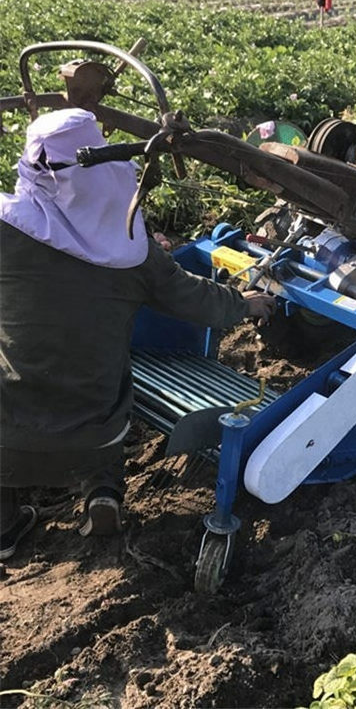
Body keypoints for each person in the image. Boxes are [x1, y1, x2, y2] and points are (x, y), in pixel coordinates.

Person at [0, 108, 276, 560]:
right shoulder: (131, 250)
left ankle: (5, 530)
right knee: (106, 376)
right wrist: (242, 304)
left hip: (8, 432)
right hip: (94, 433)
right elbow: (192, 298)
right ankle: (102, 494)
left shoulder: (6, 229)